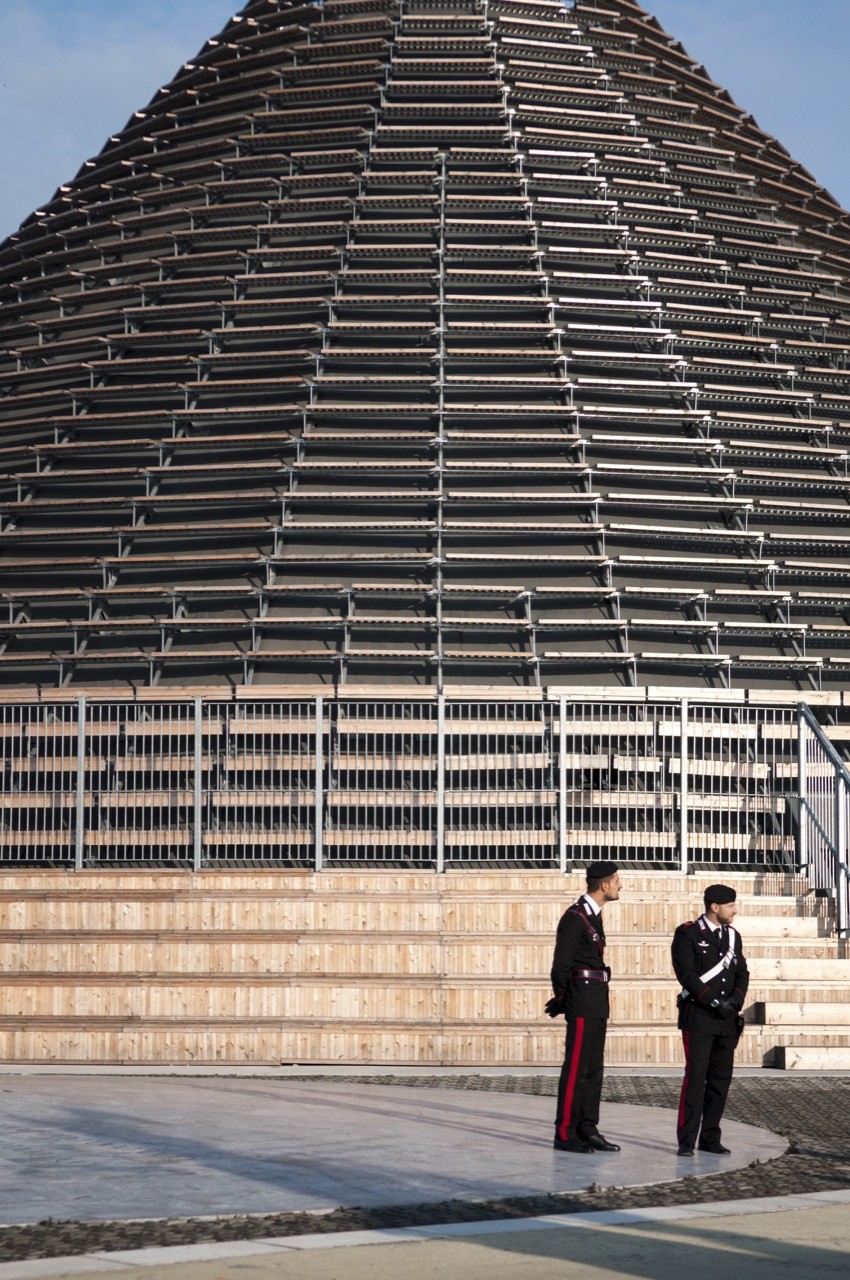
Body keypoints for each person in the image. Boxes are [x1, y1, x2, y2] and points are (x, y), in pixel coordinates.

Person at [549, 861, 622, 1154]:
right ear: (603, 885)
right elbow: (560, 966)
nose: (620, 885)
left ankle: (587, 1127)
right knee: (576, 1068)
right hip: (581, 1000)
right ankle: (565, 1132)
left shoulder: (593, 915)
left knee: (593, 1070)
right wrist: (565, 999)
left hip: (596, 999)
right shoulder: (575, 917)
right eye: (617, 881)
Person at [671, 883, 749, 1157]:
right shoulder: (688, 933)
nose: (734, 910)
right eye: (730, 906)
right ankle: (686, 1140)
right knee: (696, 1078)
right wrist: (714, 1001)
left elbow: (742, 973)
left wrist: (736, 1002)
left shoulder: (733, 936)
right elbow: (686, 974)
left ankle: (710, 1137)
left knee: (720, 1080)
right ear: (715, 907)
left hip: (727, 1018)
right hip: (700, 1016)